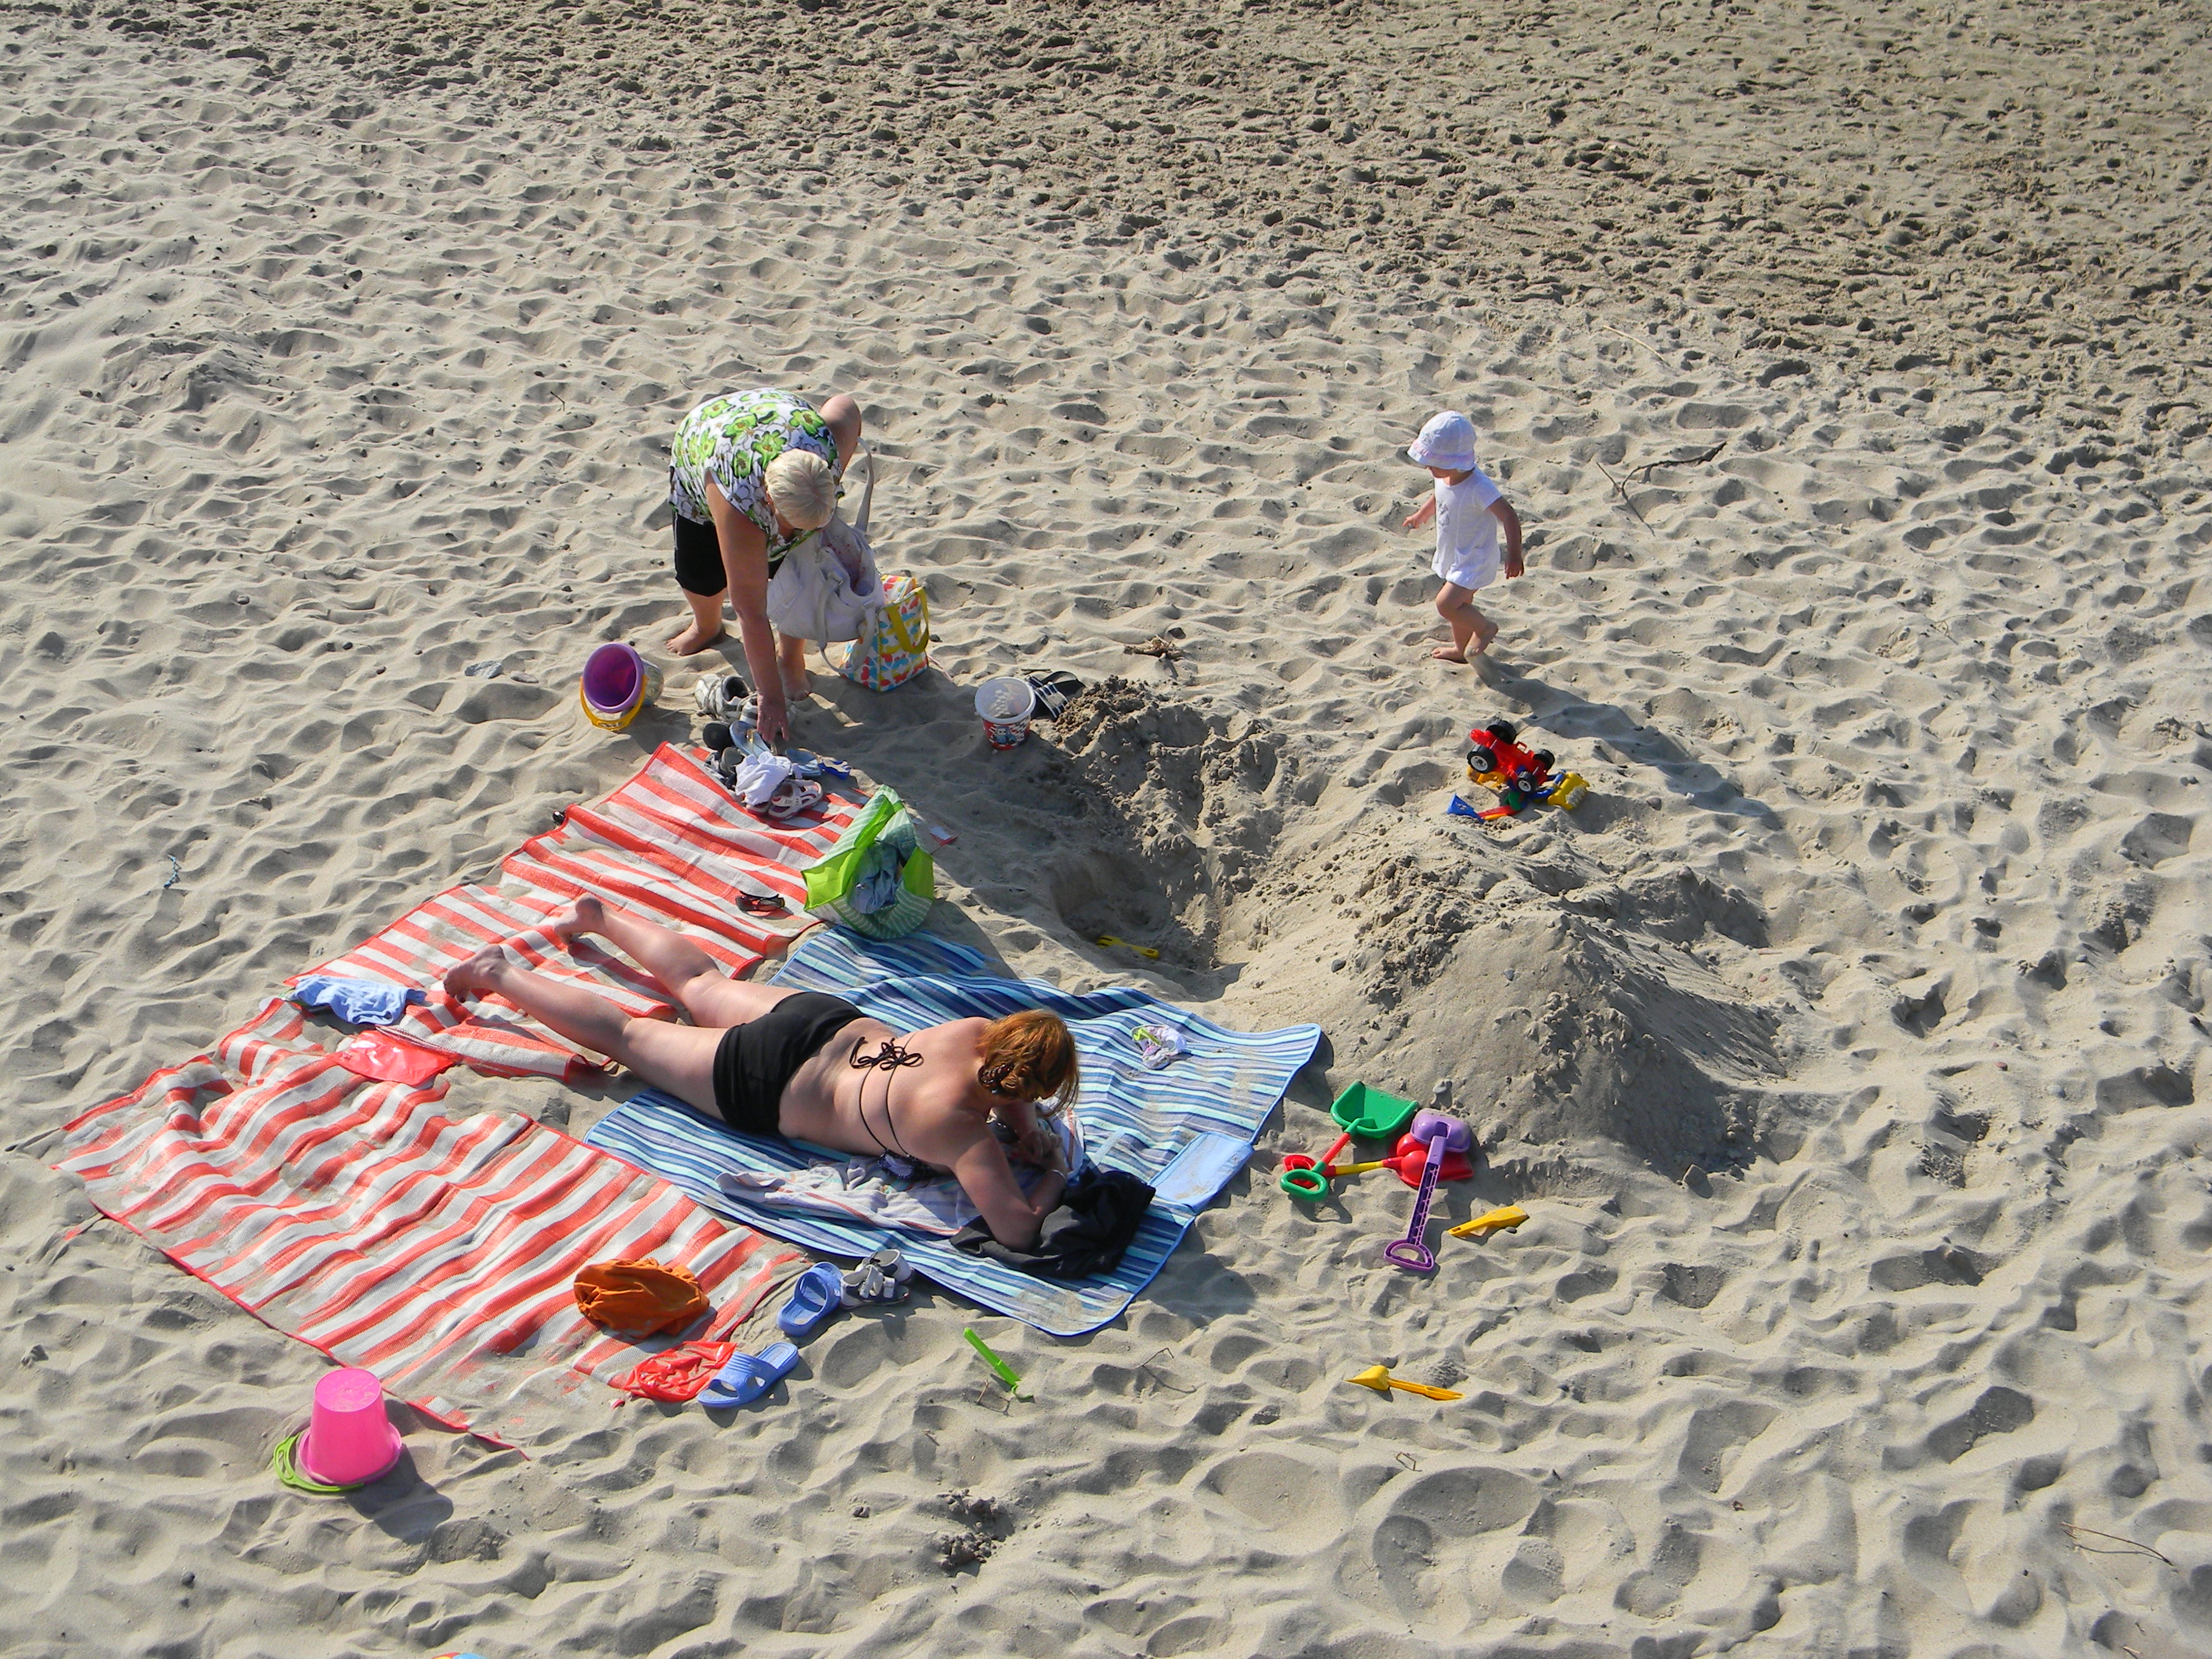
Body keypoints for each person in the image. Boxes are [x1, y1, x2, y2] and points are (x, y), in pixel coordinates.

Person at [444, 896, 1078, 1249]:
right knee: (627, 1038)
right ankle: (496, 972)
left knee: (701, 984)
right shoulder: (963, 1136)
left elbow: (1002, 1080)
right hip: (769, 1082)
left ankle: (598, 918)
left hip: (823, 1021)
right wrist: (1049, 1167)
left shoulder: (974, 1034)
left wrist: (1023, 1123)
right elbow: (1018, 1229)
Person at [664, 388, 865, 747]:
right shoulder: (738, 502)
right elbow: (750, 612)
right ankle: (707, 626)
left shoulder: (828, 447)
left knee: (796, 569)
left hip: (779, 419)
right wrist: (770, 698)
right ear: (769, 500)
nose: (795, 536)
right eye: (792, 525)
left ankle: (791, 658)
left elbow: (845, 406)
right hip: (709, 441)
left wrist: (800, 533)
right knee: (701, 573)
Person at [1401, 409, 1525, 661]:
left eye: (1433, 462)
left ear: (1452, 461)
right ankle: (1461, 650)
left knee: (1446, 604)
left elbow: (1509, 516)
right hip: (1455, 553)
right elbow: (1439, 496)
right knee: (1461, 606)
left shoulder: (1479, 487)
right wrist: (1421, 515)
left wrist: (1514, 554)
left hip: (1475, 558)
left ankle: (1485, 628)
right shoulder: (1445, 476)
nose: (1428, 466)